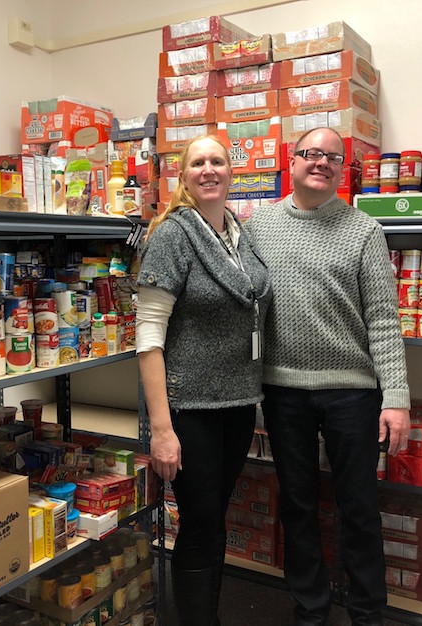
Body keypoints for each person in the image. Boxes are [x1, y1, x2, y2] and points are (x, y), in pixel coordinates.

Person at [245, 127, 411, 626]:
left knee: (358, 508)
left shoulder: (365, 231)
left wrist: (396, 396)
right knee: (296, 506)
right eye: (311, 154)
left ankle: (367, 615)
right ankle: (311, 612)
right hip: (282, 392)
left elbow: (384, 319)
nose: (321, 163)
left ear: (343, 170)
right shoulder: (258, 227)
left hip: (352, 394)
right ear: (291, 163)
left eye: (332, 157)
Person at [135, 135, 271, 626]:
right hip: (188, 409)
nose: (208, 169)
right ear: (184, 176)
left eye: (217, 161)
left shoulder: (239, 232)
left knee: (215, 518)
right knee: (198, 521)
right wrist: (162, 429)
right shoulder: (172, 234)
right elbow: (149, 338)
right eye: (198, 163)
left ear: (232, 172)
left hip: (236, 404)